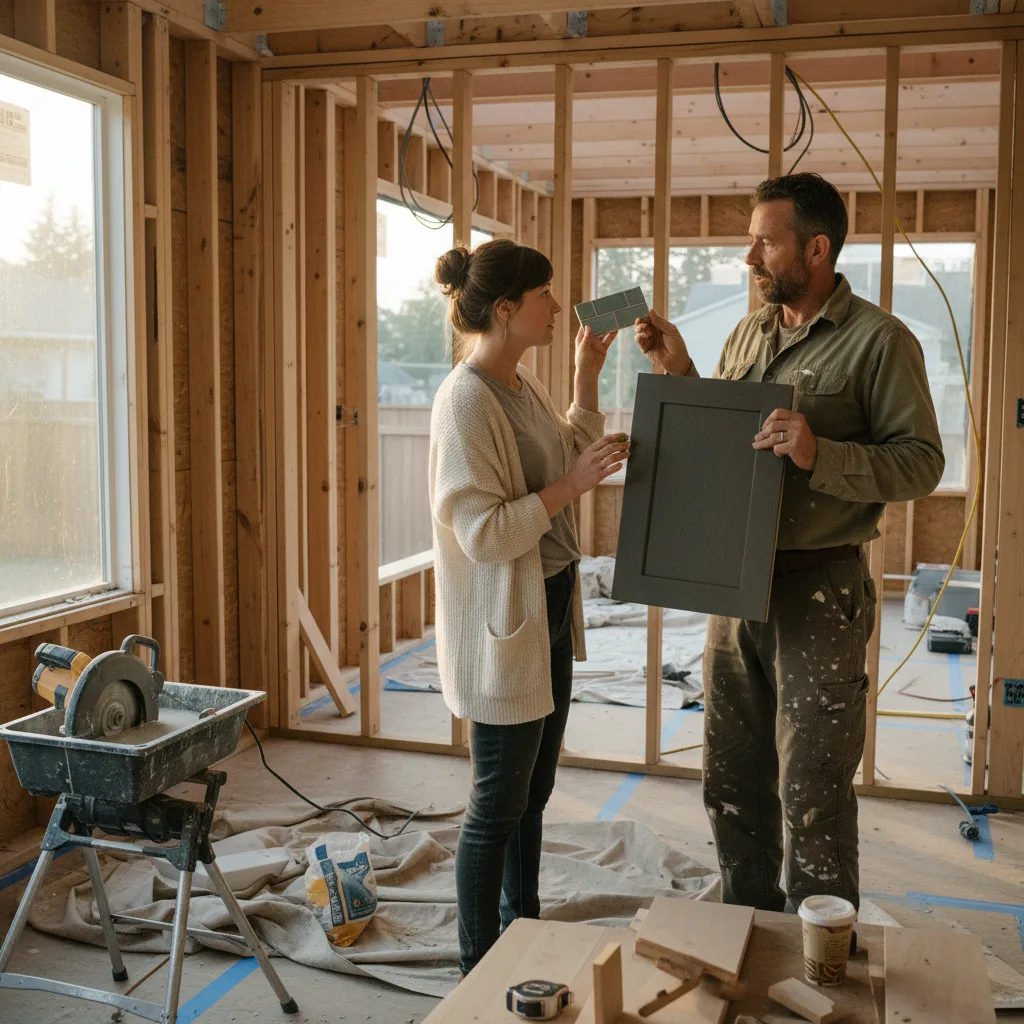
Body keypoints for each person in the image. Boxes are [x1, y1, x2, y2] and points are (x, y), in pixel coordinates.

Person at [634, 172, 944, 912]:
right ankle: (747, 930)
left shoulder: (880, 341)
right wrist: (681, 375)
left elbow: (923, 463)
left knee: (812, 788)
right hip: (732, 587)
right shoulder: (750, 332)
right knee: (732, 778)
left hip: (819, 592)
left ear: (815, 247)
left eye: (765, 241)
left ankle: (818, 960)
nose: (750, 257)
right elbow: (737, 441)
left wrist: (819, 453)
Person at [429, 238, 630, 975]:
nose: (557, 306)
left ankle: (526, 929)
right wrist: (574, 487)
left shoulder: (520, 385)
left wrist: (586, 373)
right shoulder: (466, 402)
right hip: (504, 625)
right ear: (507, 310)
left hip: (546, 604)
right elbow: (483, 534)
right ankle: (478, 964)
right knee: (494, 806)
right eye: (544, 295)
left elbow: (562, 451)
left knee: (534, 790)